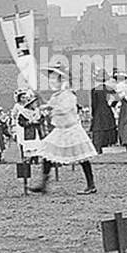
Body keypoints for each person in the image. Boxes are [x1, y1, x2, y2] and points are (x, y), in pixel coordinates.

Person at [30, 64, 97, 194]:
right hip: (60, 129)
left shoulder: (69, 94)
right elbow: (50, 108)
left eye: (55, 79)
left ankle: (91, 184)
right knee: (47, 153)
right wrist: (42, 105)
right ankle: (43, 183)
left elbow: (64, 109)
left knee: (82, 158)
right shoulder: (56, 96)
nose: (52, 81)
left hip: (72, 129)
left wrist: (49, 108)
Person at [89, 70, 117, 151]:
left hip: (98, 112)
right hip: (108, 112)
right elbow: (116, 100)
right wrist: (111, 105)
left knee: (98, 129)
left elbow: (94, 104)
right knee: (109, 127)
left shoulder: (94, 90)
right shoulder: (110, 89)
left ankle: (98, 148)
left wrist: (93, 114)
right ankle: (108, 145)